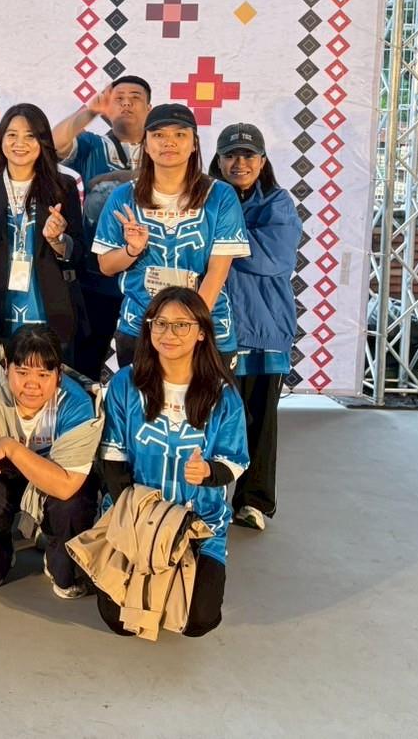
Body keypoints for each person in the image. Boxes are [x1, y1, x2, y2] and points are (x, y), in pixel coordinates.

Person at [97, 287, 249, 637]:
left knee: (198, 622)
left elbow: (234, 459)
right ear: (149, 328)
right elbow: (113, 454)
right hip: (138, 515)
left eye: (182, 325)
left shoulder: (222, 394)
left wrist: (208, 472)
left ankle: (191, 565)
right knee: (119, 621)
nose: (169, 333)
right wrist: (136, 518)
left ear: (201, 332)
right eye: (160, 323)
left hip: (198, 521)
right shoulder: (125, 383)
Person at [92, 102, 250, 369]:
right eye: (159, 135)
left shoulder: (220, 195)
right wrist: (131, 250)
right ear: (145, 144)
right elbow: (106, 265)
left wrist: (185, 326)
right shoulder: (123, 196)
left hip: (205, 327)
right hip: (141, 327)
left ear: (194, 144)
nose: (169, 142)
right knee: (139, 396)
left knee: (206, 397)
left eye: (180, 134)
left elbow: (217, 271)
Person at [0, 324, 101, 596]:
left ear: (59, 375)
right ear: (6, 368)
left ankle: (59, 560)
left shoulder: (76, 404)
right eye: (22, 372)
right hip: (6, 475)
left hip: (53, 478)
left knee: (76, 501)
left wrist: (9, 446)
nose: (32, 384)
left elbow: (66, 486)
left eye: (43, 374)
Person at [209, 122, 300, 533]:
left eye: (248, 155)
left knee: (260, 420)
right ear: (218, 161)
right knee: (212, 414)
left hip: (264, 329)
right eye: (230, 155)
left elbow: (272, 258)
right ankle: (207, 495)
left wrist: (221, 234)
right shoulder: (206, 198)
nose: (239, 163)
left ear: (263, 161)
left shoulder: (278, 203)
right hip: (217, 328)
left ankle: (253, 500)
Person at [52, 77, 152, 381]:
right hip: (97, 276)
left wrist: (114, 178)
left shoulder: (163, 145)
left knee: (144, 369)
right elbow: (53, 144)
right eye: (118, 98)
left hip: (146, 280)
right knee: (87, 365)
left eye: (135, 97)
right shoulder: (94, 145)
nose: (126, 103)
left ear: (150, 108)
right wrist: (90, 111)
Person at [0, 104, 85, 352]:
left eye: (30, 136)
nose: (20, 143)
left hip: (51, 309)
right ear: (1, 140)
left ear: (43, 141)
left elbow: (78, 253)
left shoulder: (63, 187)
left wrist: (57, 240)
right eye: (12, 135)